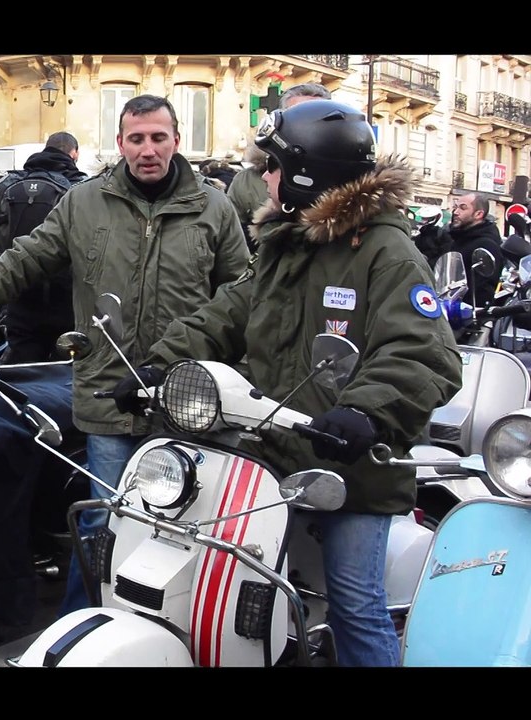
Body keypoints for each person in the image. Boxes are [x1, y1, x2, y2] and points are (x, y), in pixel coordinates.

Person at [111, 99, 463, 666]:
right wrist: (160, 364)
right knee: (233, 585)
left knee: (354, 602)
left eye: (272, 166)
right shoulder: (286, 242)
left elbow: (426, 352)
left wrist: (365, 411)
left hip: (354, 467)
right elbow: (230, 311)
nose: (264, 177)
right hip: (272, 457)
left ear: (307, 174)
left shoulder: (385, 250)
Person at [0, 94, 249, 616]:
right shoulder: (84, 201)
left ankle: (167, 631)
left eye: (158, 137)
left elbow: (241, 293)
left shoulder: (213, 208)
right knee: (102, 521)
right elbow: (23, 259)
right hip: (109, 395)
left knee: (181, 525)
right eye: (136, 138)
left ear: (176, 141)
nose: (147, 149)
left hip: (183, 399)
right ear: (120, 143)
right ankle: (83, 628)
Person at [0, 131, 88, 363]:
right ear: (74, 153)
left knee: (21, 371)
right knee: (63, 377)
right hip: (66, 303)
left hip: (20, 299)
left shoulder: (5, 186)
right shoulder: (81, 188)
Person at [228, 83, 331, 253]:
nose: (304, 129)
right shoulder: (247, 180)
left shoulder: (350, 180)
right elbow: (234, 246)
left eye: (314, 119)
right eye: (296, 118)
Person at [442, 191, 503, 307]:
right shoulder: (457, 239)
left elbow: (483, 289)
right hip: (448, 307)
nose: (455, 212)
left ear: (478, 214)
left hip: (467, 316)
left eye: (463, 208)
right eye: (455, 207)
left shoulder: (486, 244)